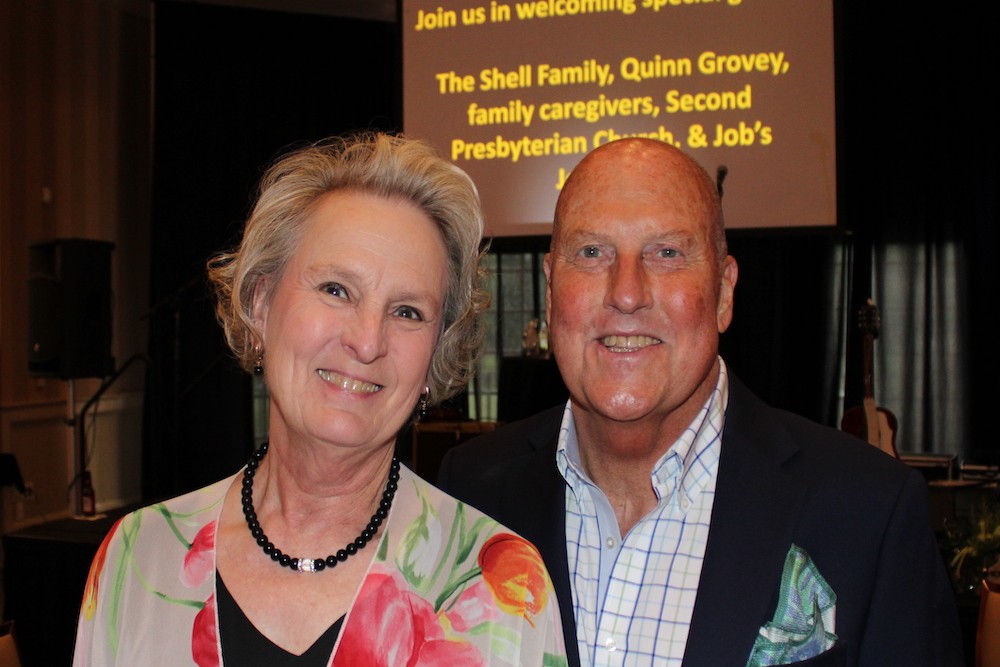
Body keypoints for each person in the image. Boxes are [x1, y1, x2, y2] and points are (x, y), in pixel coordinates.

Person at [438, 138, 964, 666]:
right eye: (592, 252)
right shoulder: (469, 494)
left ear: (724, 293)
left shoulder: (870, 511)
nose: (626, 293)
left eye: (666, 253)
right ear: (552, 292)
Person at [73, 133, 567, 666]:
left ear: (435, 355)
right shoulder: (138, 557)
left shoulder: (500, 589)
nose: (367, 341)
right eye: (336, 290)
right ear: (260, 305)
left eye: (407, 312)